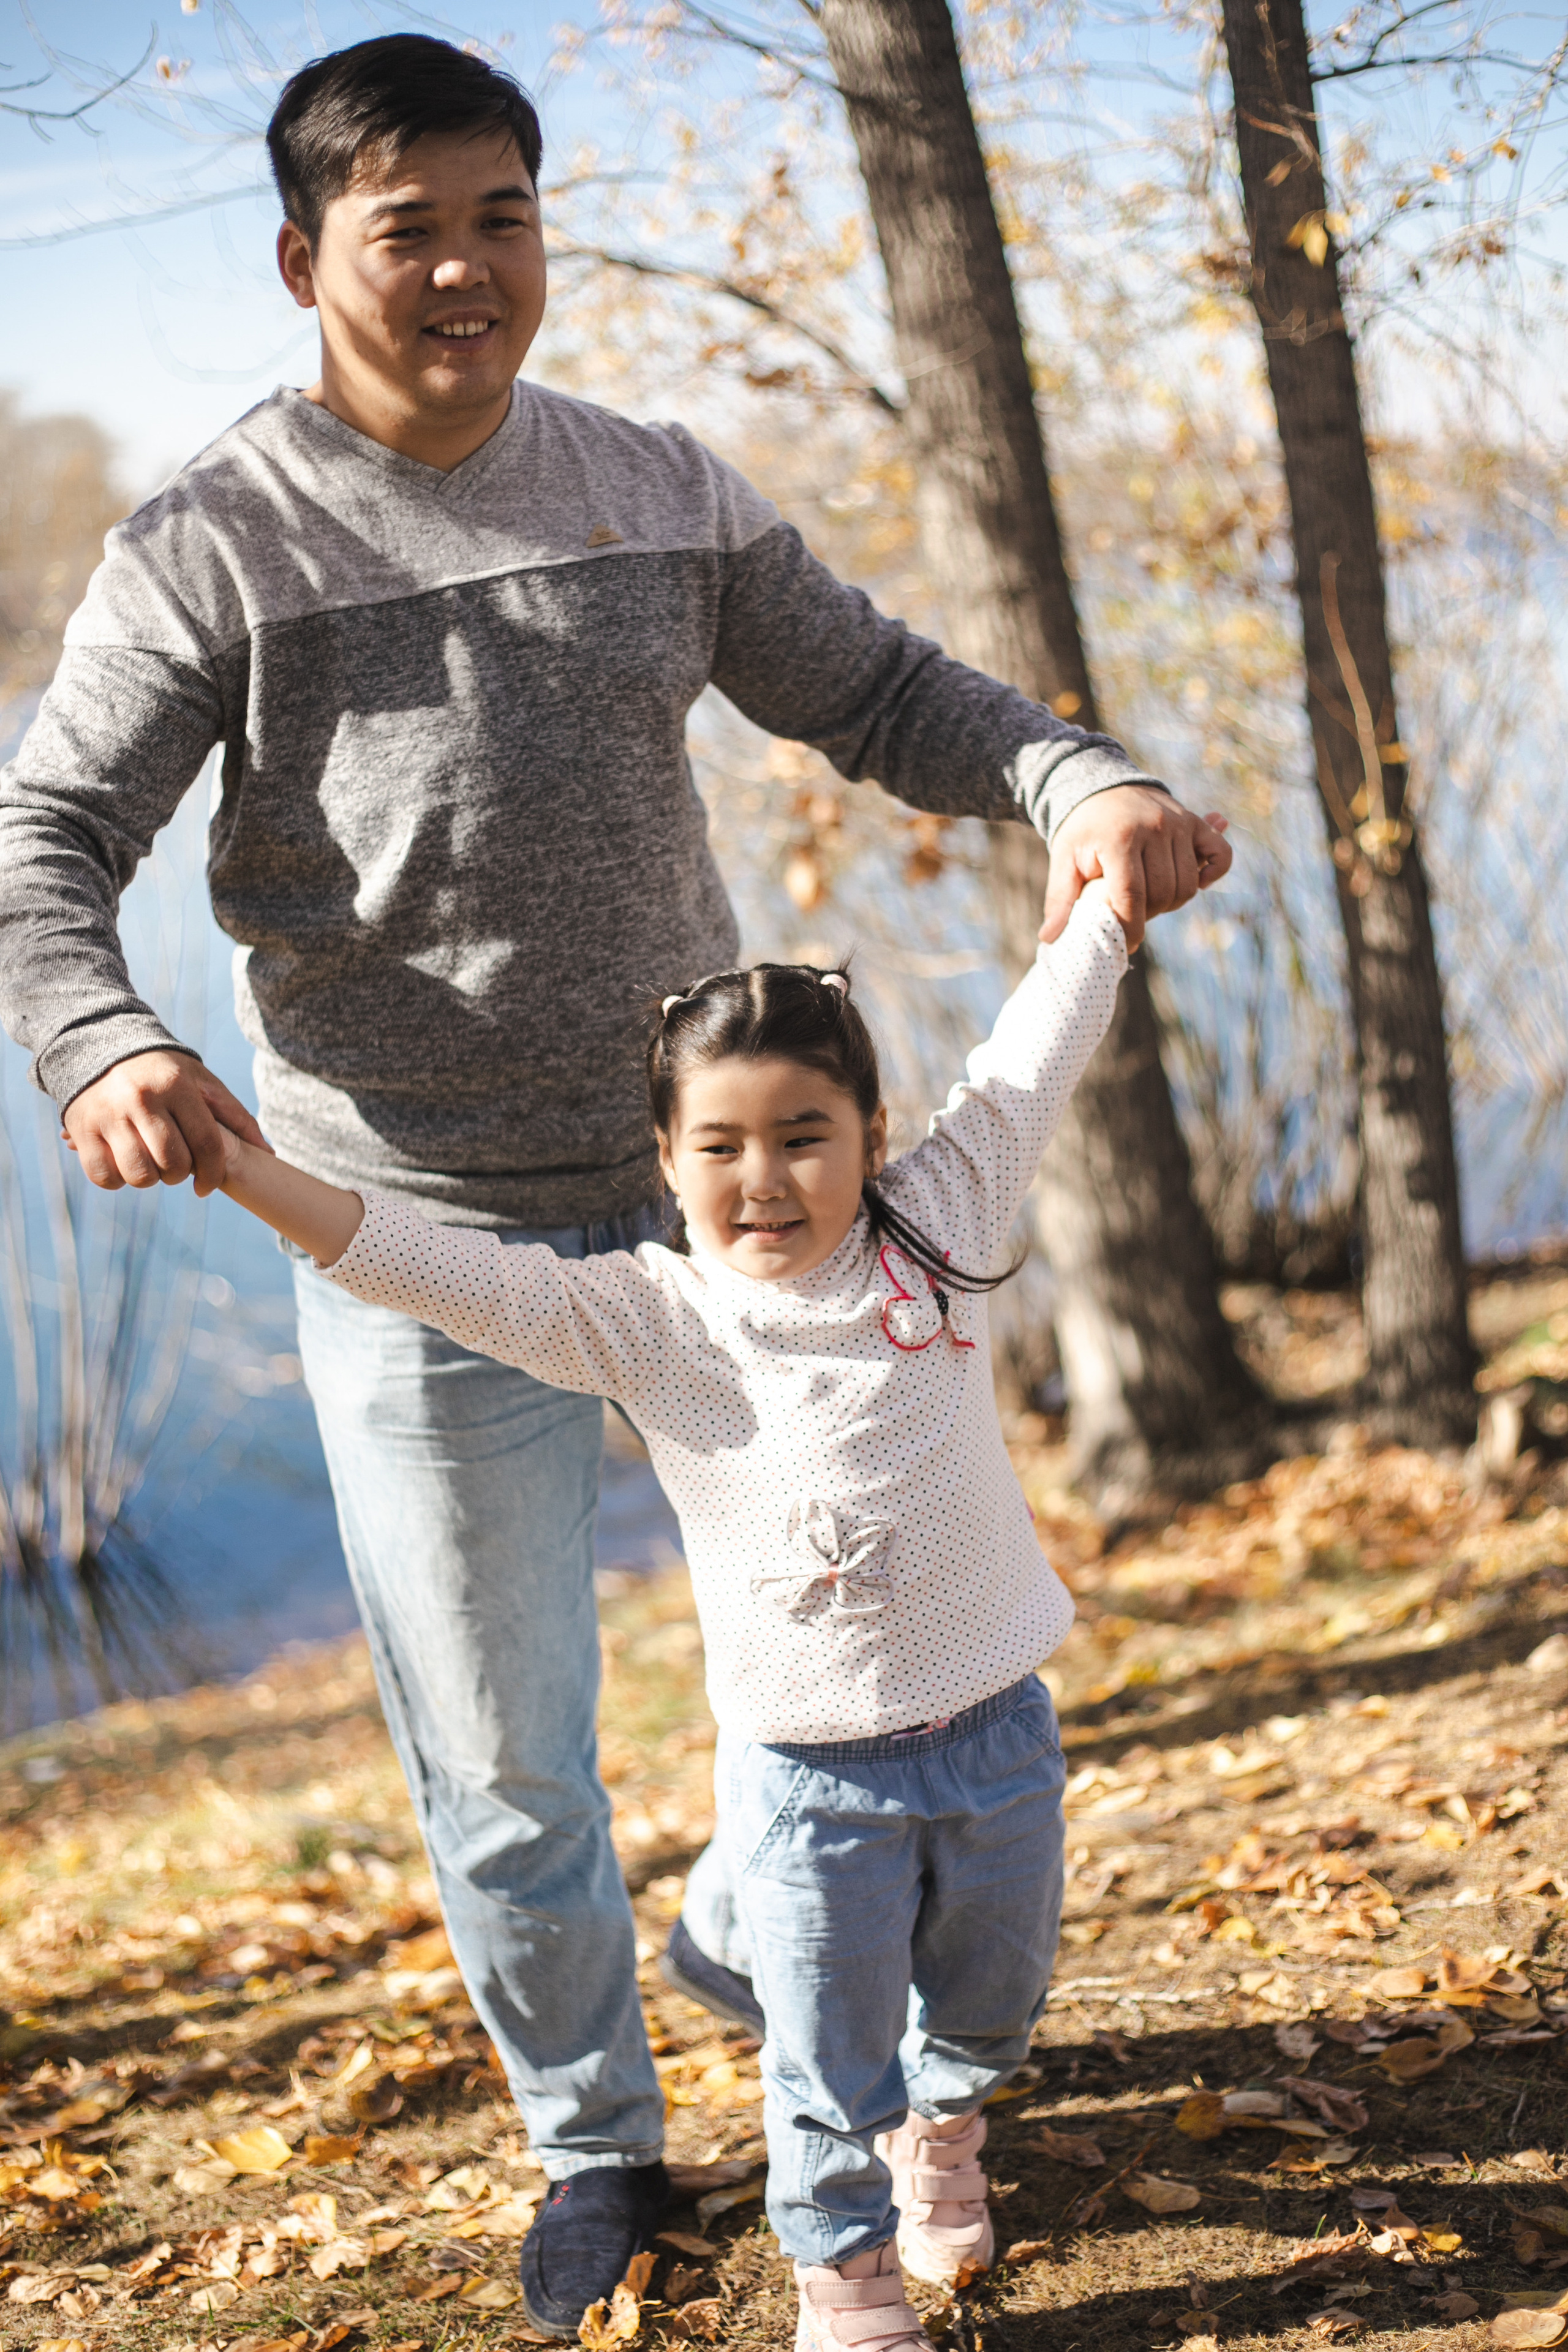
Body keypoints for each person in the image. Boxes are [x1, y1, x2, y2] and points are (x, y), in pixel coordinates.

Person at [0, 29, 1231, 2333]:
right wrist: (105, 1037)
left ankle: (775, 1937)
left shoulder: (651, 488)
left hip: (725, 1218)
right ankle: (596, 2141)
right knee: (504, 1757)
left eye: (507, 217)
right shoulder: (213, 544)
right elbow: (50, 835)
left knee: (865, 1644)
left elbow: (881, 693)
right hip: (416, 1234)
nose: (468, 268)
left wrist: (1073, 777)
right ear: (303, 259)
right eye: (410, 230)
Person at [192, 866, 1213, 2345]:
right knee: (825, 2065)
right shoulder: (648, 1319)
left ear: (870, 1136)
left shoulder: (935, 1227)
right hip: (809, 1789)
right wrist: (242, 1169)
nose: (764, 1178)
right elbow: (437, 1271)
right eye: (720, 1145)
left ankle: (945, 2130)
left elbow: (1030, 1058)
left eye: (803, 1136)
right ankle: (845, 2282)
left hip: (997, 1735)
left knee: (988, 2006)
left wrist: (1109, 898)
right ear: (666, 1161)